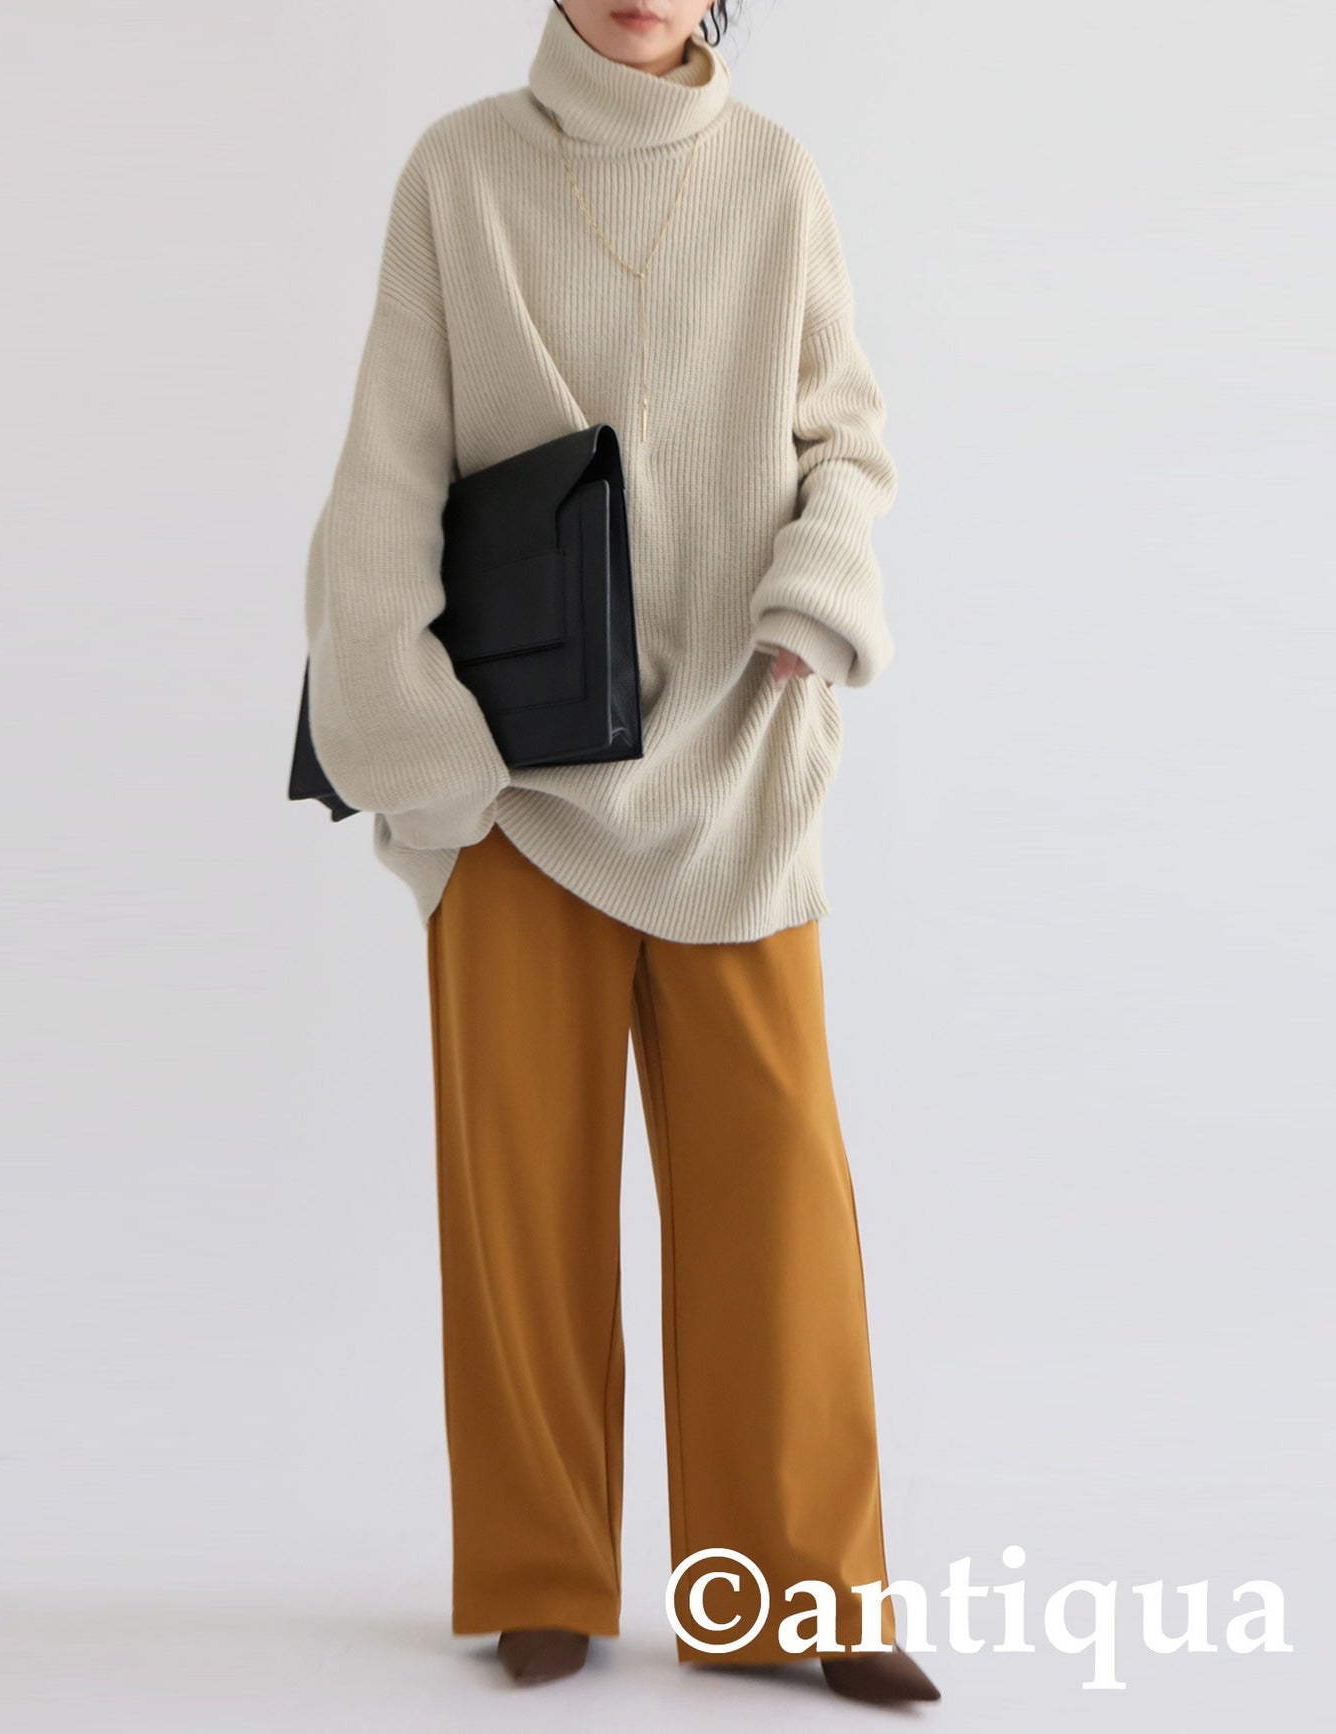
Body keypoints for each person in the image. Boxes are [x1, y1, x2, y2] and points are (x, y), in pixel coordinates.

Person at [302, 0, 939, 1705]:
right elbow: (383, 484)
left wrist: (813, 598)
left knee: (774, 1201)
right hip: (512, 783)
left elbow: (846, 442)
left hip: (739, 758)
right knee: (520, 1206)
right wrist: (428, 759)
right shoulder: (459, 173)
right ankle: (538, 1573)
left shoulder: (774, 177)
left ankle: (790, 1594)